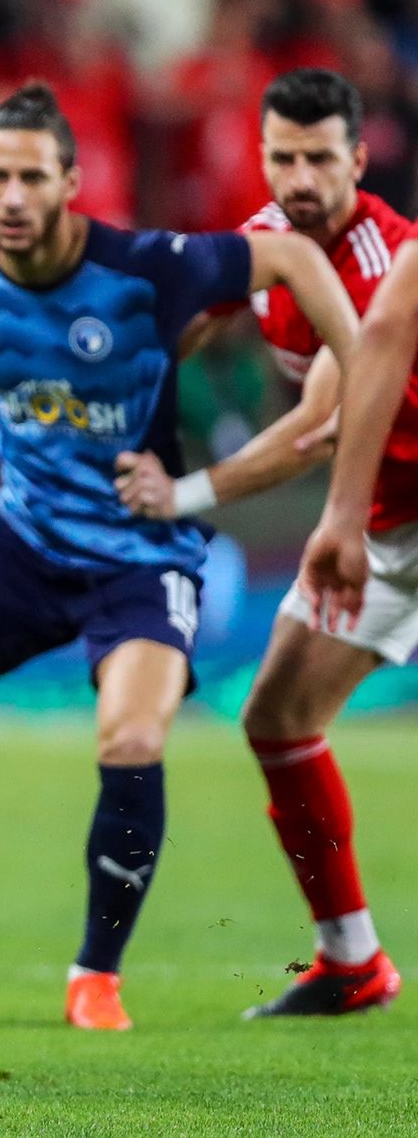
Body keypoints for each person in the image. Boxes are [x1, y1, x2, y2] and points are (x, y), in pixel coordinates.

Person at [0, 83, 360, 1031]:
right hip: (23, 542)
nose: (12, 196)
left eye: (33, 177)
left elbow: (289, 253)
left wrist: (361, 360)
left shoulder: (144, 266)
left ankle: (96, 975)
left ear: (71, 184)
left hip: (143, 556)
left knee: (131, 741)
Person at [112, 69, 409, 1017]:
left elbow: (319, 428)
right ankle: (353, 962)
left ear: (359, 159)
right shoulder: (266, 240)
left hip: (378, 517)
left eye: (320, 158)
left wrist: (184, 494)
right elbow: (180, 329)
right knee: (277, 718)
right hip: (384, 524)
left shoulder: (386, 262)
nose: (300, 178)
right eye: (283, 157)